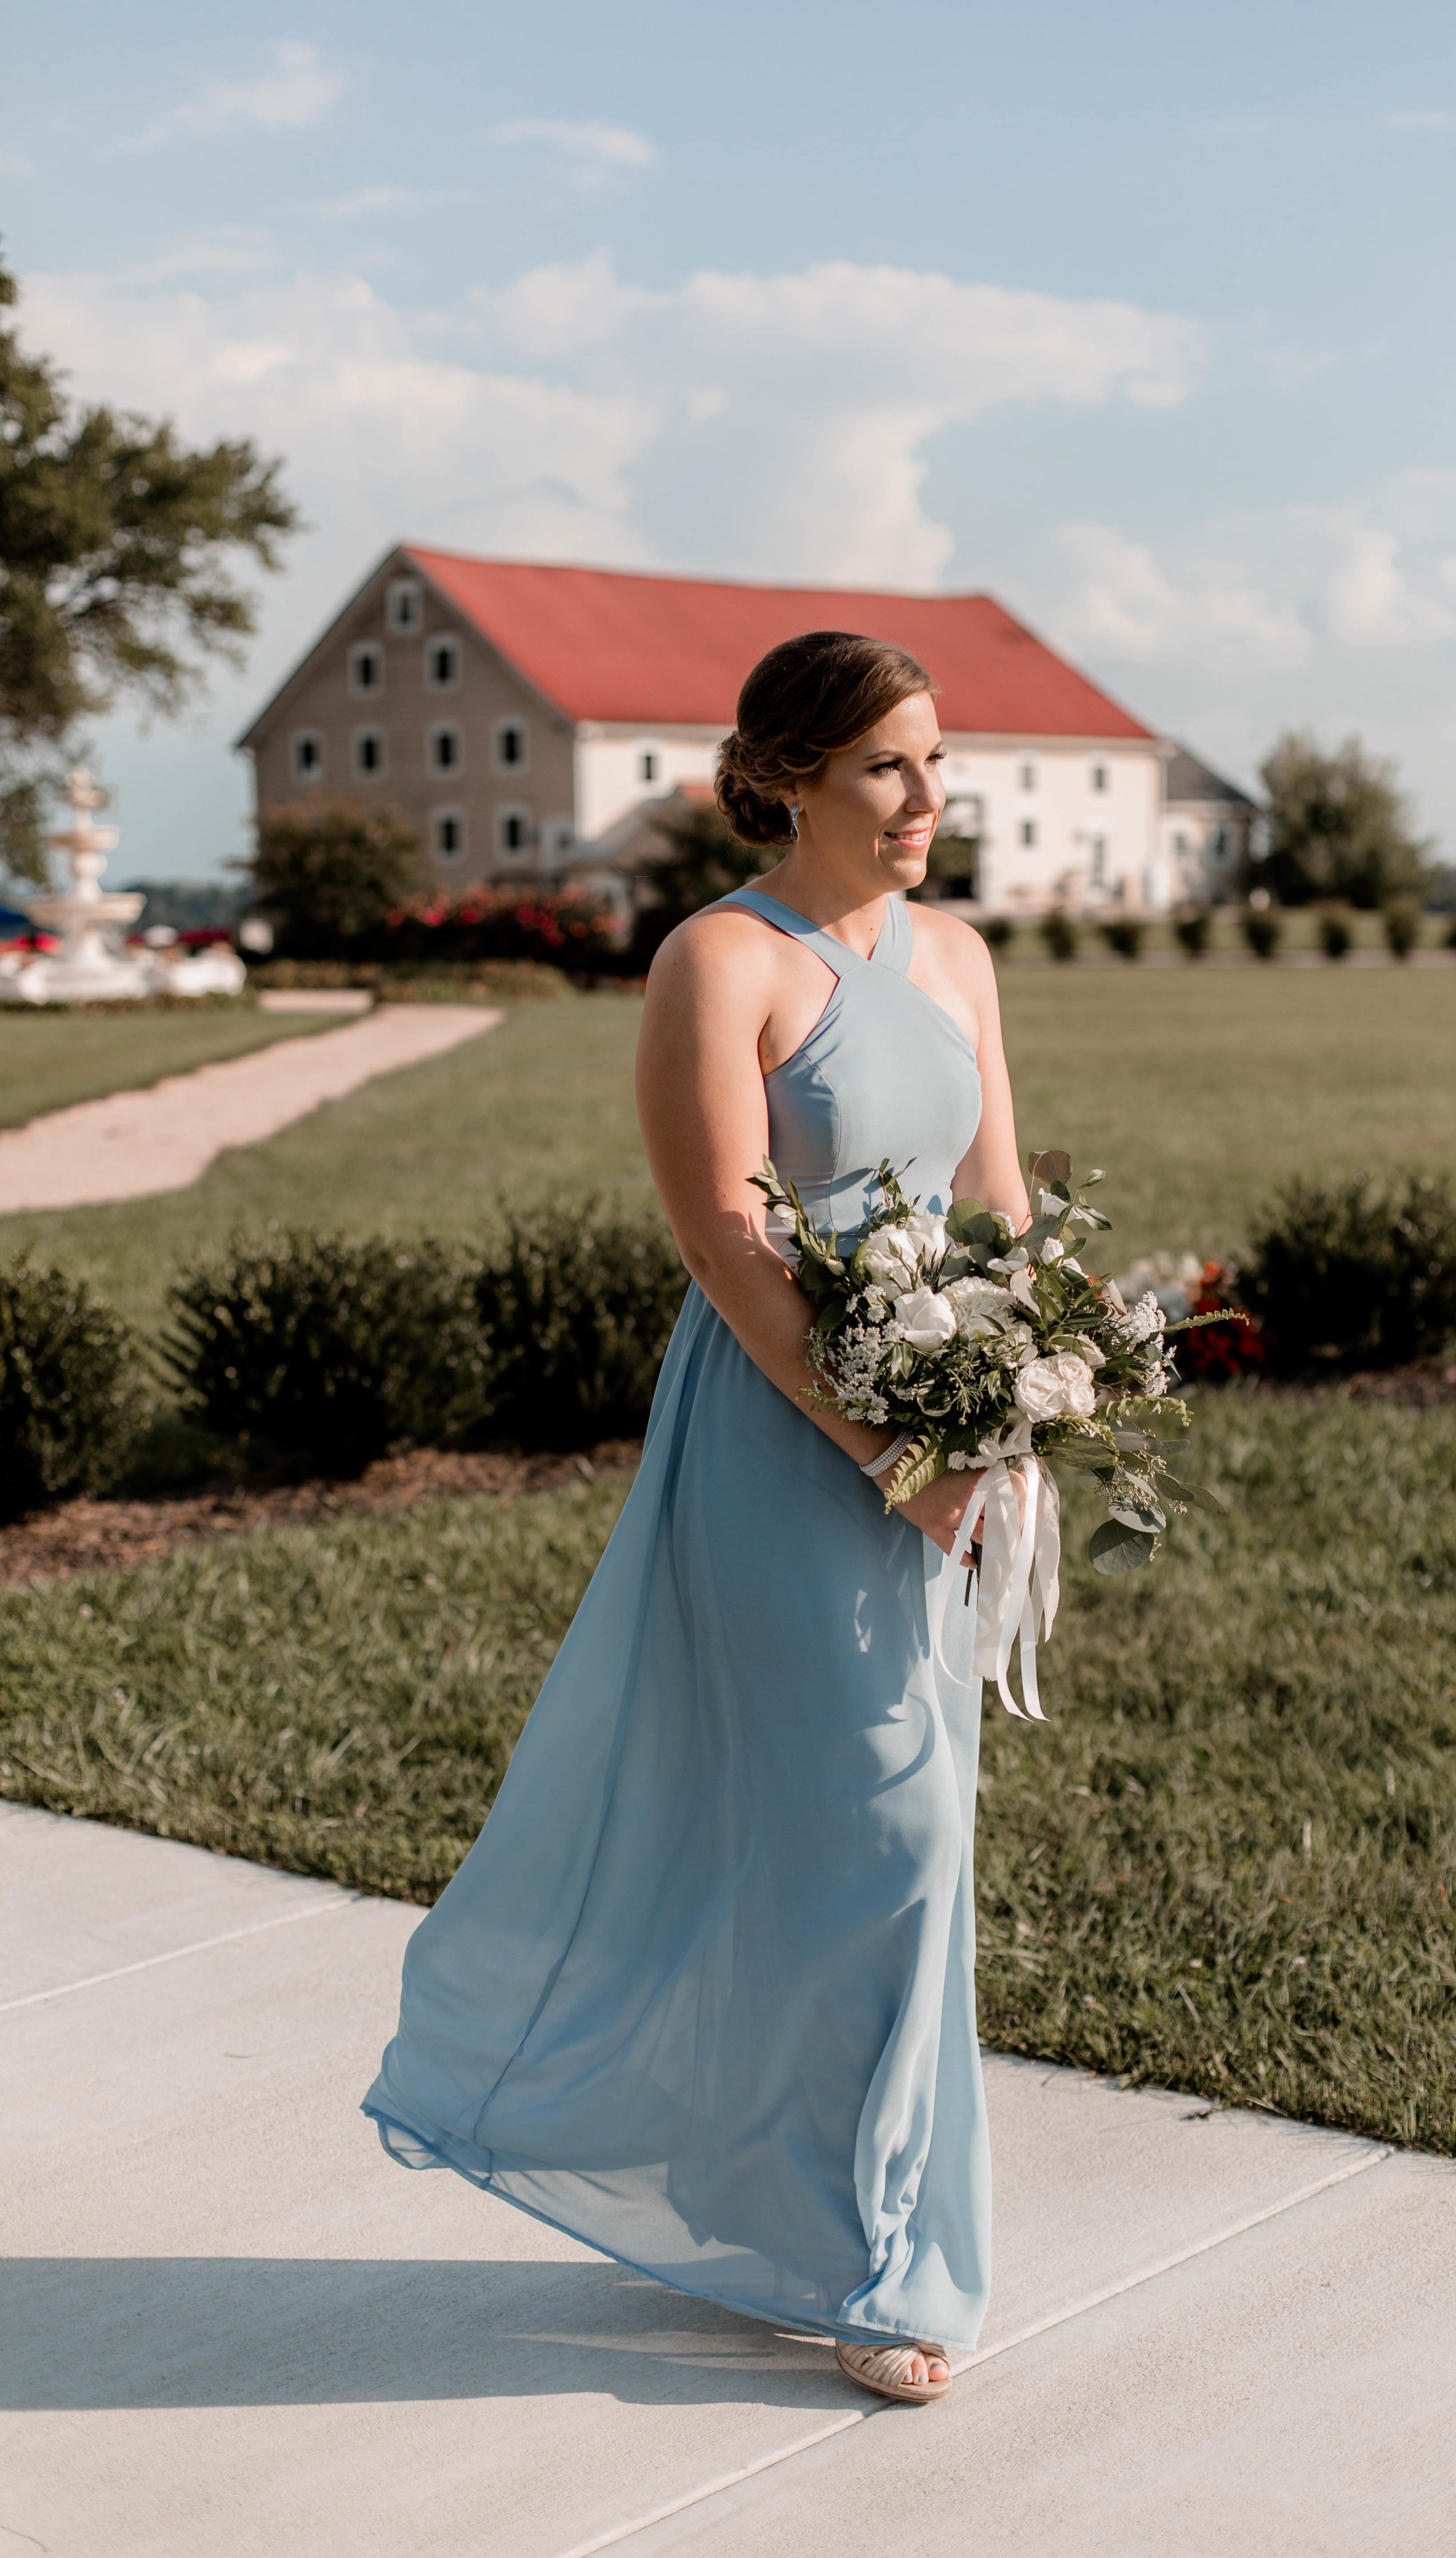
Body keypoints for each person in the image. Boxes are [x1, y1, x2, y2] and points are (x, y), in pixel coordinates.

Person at [363, 630, 1030, 2406]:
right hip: (781, 1437)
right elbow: (735, 1252)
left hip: (952, 1432)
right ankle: (883, 2264)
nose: (925, 799)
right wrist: (903, 1453)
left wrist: (1038, 1397)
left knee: (911, 1837)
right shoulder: (715, 962)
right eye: (888, 766)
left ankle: (830, 2220)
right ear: (789, 776)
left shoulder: (957, 955)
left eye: (937, 761)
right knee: (874, 1839)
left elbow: (1000, 1218)